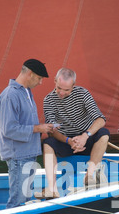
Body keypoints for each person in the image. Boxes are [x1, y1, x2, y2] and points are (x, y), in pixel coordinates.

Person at [36, 68, 110, 198]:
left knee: (104, 133)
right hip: (66, 141)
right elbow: (52, 130)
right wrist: (68, 141)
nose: (62, 93)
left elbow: (100, 119)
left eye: (66, 90)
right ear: (54, 81)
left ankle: (90, 176)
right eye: (59, 88)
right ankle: (52, 189)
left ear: (73, 86)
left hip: (87, 139)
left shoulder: (83, 94)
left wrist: (85, 136)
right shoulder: (49, 100)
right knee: (47, 143)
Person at [0, 59, 54, 208]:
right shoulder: (10, 95)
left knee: (25, 201)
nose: (41, 82)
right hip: (18, 157)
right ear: (30, 73)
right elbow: (9, 129)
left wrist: (42, 127)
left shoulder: (27, 92)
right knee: (18, 202)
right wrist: (38, 128)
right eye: (39, 78)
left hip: (29, 154)